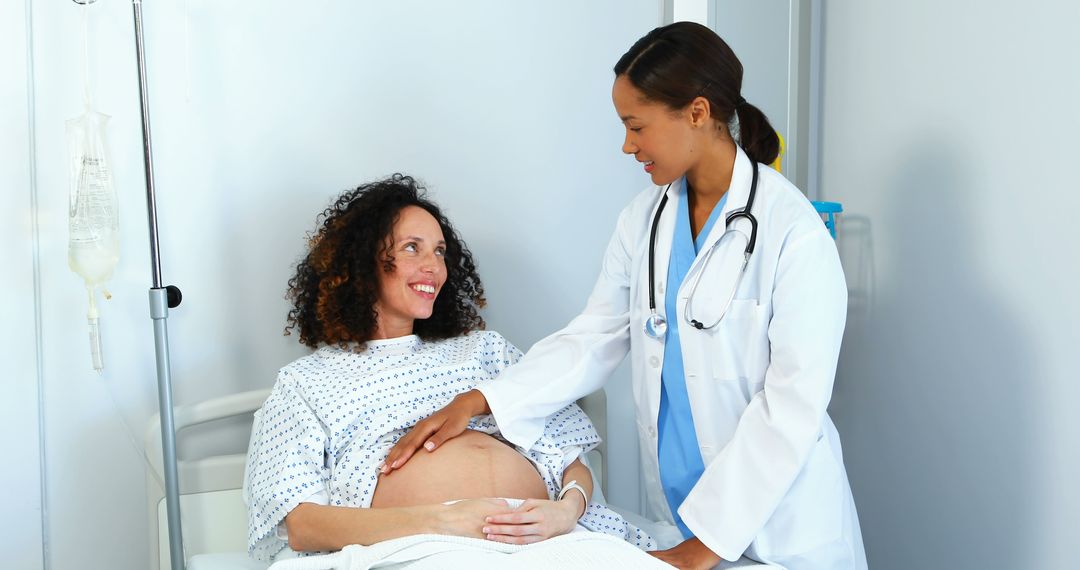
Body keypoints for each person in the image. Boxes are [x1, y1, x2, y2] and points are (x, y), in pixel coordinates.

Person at [383, 22, 868, 570]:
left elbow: (791, 408)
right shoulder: (644, 222)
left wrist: (702, 548)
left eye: (636, 126)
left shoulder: (793, 234)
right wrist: (482, 401)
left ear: (697, 112)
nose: (627, 144)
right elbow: (593, 337)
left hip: (780, 525)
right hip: (681, 513)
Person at [243, 174, 652, 562]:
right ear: (362, 263)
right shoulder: (306, 383)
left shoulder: (487, 351)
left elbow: (569, 456)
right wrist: (439, 520)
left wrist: (566, 511)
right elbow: (300, 524)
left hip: (547, 540)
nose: (434, 267)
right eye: (411, 248)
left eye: (439, 251)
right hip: (417, 547)